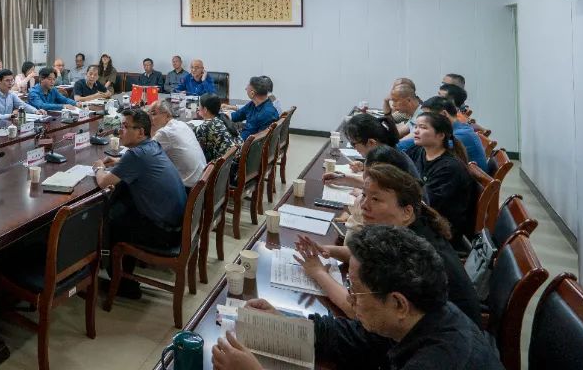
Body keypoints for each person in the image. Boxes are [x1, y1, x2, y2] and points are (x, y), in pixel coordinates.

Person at [212, 225, 501, 370]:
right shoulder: (417, 317)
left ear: (398, 303)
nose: (349, 300)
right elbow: (358, 337)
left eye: (356, 290)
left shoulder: (438, 361)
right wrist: (285, 323)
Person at [296, 164, 482, 327]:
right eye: (364, 195)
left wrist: (318, 272)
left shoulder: (411, 253)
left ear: (406, 211)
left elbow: (360, 312)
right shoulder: (411, 226)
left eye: (376, 199)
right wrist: (329, 250)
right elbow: (366, 257)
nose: (364, 205)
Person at [92, 108, 187, 300]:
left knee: (110, 222)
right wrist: (119, 161)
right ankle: (119, 273)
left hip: (163, 233)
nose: (120, 131)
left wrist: (99, 168)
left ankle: (124, 285)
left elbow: (103, 182)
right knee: (121, 206)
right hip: (178, 224)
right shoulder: (152, 146)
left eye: (125, 127)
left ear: (141, 132)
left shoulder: (135, 155)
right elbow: (140, 163)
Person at [404, 112, 476, 241]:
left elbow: (428, 203)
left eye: (423, 127)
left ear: (441, 135)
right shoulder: (416, 150)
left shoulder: (449, 168)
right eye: (416, 126)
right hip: (419, 214)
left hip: (440, 230)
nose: (416, 131)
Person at [398, 96, 486, 169]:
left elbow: (429, 148)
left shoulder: (461, 134)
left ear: (444, 114)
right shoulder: (453, 130)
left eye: (428, 116)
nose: (425, 119)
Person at [147, 100, 207, 187]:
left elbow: (145, 155)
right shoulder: (181, 124)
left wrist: (152, 128)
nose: (150, 119)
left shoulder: (165, 132)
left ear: (167, 115)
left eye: (153, 114)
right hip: (201, 180)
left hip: (188, 187)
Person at [192, 93, 241, 162]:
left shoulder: (206, 126)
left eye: (199, 105)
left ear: (205, 109)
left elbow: (192, 140)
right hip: (238, 159)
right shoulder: (224, 117)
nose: (198, 108)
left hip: (228, 165)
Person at [230, 76, 279, 141]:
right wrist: (220, 115)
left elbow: (260, 142)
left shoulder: (267, 114)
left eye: (247, 87)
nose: (245, 89)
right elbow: (236, 116)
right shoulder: (253, 104)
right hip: (243, 139)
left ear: (252, 93)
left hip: (245, 144)